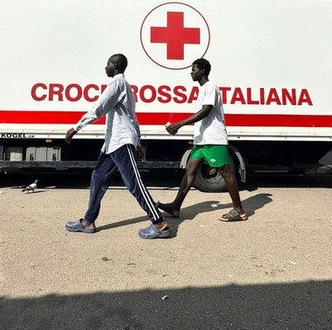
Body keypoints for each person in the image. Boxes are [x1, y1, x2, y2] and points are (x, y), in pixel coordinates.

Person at [64, 53, 171, 239]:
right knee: (98, 178)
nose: (105, 67)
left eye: (108, 64)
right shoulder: (125, 87)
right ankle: (88, 221)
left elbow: (99, 107)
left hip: (121, 141)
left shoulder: (117, 84)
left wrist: (76, 127)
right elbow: (132, 118)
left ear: (116, 65)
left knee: (134, 183)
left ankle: (160, 223)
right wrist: (138, 142)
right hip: (112, 143)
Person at [158, 58, 248, 222]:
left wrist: (179, 124)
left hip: (214, 139)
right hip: (201, 140)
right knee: (189, 172)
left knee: (226, 173)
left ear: (203, 71)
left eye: (194, 69)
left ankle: (239, 210)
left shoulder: (210, 87)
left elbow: (206, 111)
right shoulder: (202, 89)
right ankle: (175, 207)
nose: (191, 73)